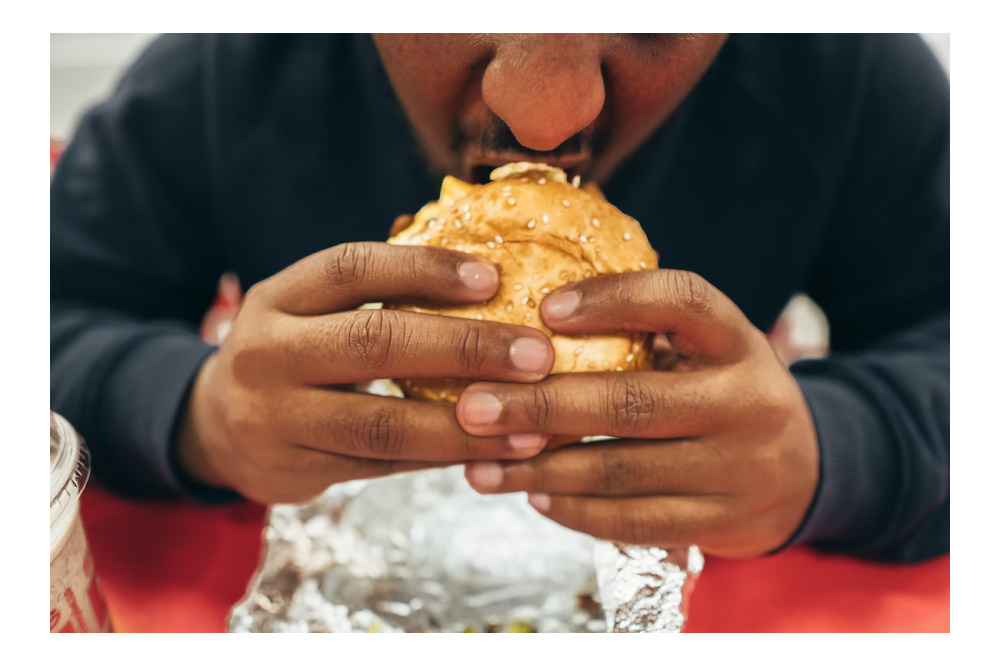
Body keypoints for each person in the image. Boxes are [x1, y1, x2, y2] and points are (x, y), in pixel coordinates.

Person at [50, 34, 949, 562]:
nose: (546, 118)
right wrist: (193, 415)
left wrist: (833, 455)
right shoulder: (226, 62)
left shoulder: (846, 65)